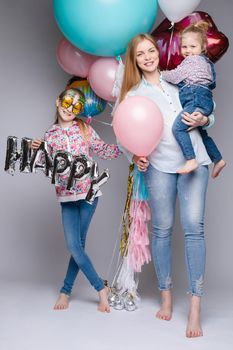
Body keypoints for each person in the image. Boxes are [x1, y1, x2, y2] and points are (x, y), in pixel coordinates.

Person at [117, 33, 217, 337]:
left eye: (151, 51)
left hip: (194, 161)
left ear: (158, 53)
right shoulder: (133, 95)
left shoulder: (181, 76)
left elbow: (208, 107)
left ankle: (195, 307)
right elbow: (125, 134)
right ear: (134, 60)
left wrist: (206, 121)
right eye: (140, 54)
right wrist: (136, 155)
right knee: (161, 229)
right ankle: (166, 296)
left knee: (193, 228)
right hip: (159, 166)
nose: (147, 57)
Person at [32, 87, 121, 313]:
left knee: (76, 247)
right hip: (66, 196)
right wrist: (37, 150)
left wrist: (126, 145)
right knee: (75, 246)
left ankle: (69, 290)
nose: (70, 109)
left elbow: (103, 150)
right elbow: (45, 166)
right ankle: (101, 287)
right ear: (58, 100)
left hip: (89, 194)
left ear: (81, 109)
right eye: (67, 102)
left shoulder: (84, 128)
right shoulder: (50, 135)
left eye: (76, 106)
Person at [162, 21, 226, 177]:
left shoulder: (192, 61)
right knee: (201, 134)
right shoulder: (207, 64)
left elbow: (175, 76)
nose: (188, 51)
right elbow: (211, 84)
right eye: (184, 47)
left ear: (203, 47)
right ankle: (218, 159)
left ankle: (191, 159)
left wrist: (162, 73)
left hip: (195, 98)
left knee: (178, 128)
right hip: (205, 100)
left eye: (193, 47)